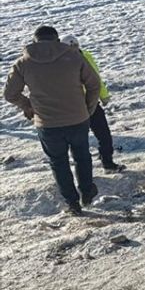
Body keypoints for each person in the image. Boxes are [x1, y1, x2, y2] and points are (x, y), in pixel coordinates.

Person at [4, 25, 101, 214]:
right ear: (57, 40)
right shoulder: (74, 57)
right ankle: (87, 192)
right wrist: (87, 108)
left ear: (34, 41)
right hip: (77, 118)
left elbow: (9, 94)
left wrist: (28, 106)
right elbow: (94, 85)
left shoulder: (23, 63)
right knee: (82, 156)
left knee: (58, 162)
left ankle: (72, 203)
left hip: (47, 123)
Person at [63, 35, 126, 172]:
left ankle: (108, 163)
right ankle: (83, 173)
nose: (73, 49)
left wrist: (103, 95)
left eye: (75, 46)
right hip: (73, 106)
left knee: (104, 135)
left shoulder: (86, 55)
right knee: (78, 142)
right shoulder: (59, 63)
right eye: (70, 47)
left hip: (91, 102)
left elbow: (96, 78)